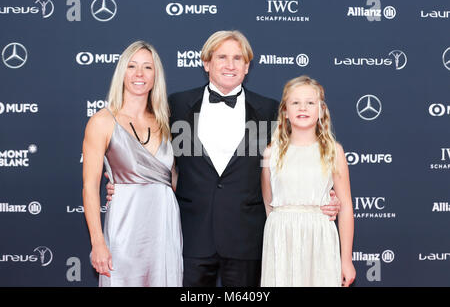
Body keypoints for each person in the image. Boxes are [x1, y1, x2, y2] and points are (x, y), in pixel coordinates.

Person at [107, 30, 341, 287]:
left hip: (246, 240)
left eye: (238, 58)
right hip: (190, 235)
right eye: (222, 57)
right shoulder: (176, 106)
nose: (230, 65)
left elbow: (300, 156)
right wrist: (129, 184)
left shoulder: (270, 111)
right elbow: (152, 155)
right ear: (206, 63)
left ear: (247, 66)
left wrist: (329, 194)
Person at [82, 40, 183, 287]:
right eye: (132, 66)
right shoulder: (102, 121)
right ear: (122, 72)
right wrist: (98, 242)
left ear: (155, 75)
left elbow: (173, 179)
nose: (139, 74)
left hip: (164, 227)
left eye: (147, 67)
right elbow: (89, 187)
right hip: (124, 227)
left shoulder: (168, 121)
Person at [260, 75, 356, 287]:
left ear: (321, 110)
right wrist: (280, 229)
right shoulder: (271, 152)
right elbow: (268, 201)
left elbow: (346, 206)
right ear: (285, 111)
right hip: (281, 239)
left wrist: (346, 260)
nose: (303, 108)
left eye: (310, 103)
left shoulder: (334, 151)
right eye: (295, 103)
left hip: (320, 237)